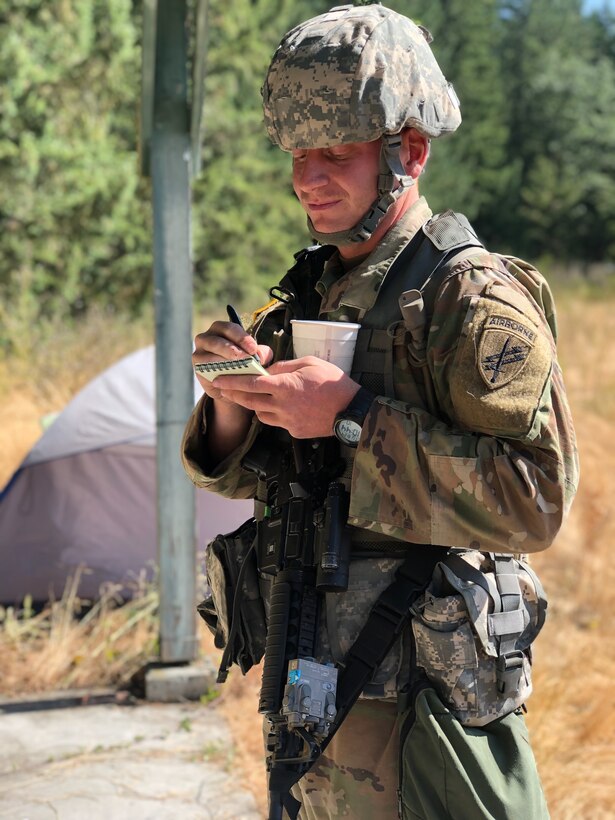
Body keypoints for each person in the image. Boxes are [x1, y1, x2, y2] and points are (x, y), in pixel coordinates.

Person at [182, 4, 579, 818]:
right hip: (311, 682)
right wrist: (232, 403)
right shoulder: (305, 295)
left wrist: (352, 417)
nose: (306, 178)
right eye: (298, 153)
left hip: (425, 704)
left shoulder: (467, 298)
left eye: (334, 152)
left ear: (410, 153)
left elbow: (533, 502)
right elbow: (268, 477)